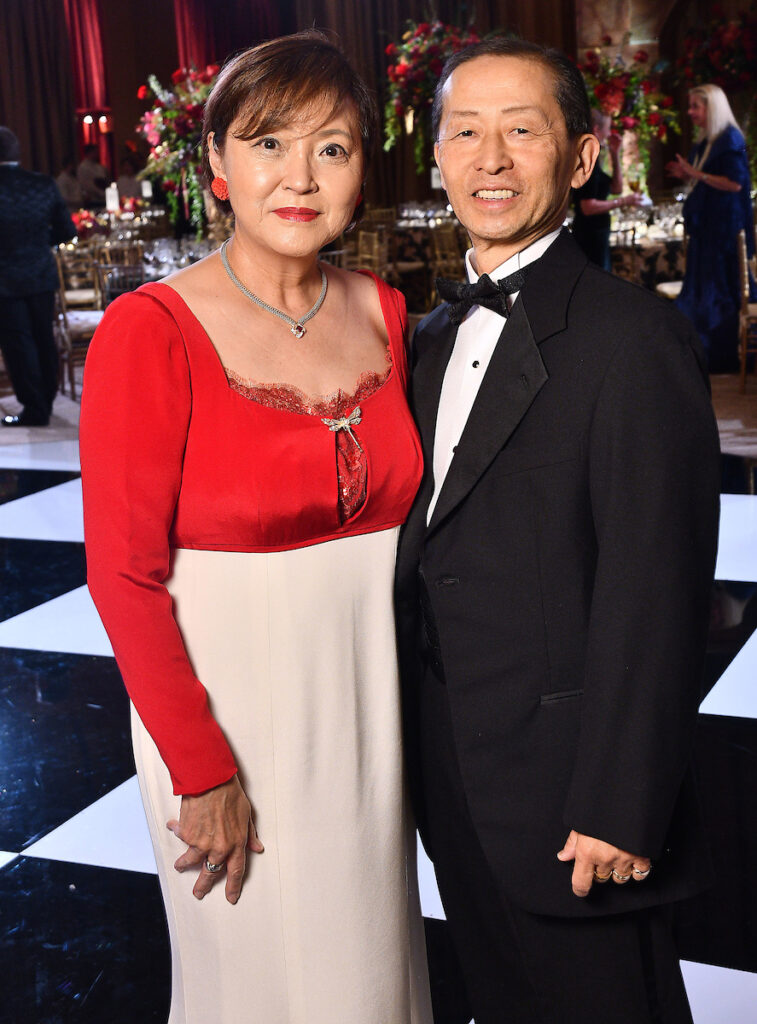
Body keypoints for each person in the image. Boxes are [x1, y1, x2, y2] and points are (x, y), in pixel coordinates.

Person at [79, 32, 431, 1024]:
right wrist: (203, 769)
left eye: (333, 146)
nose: (300, 176)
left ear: (363, 168)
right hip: (226, 719)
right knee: (261, 987)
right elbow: (122, 576)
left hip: (368, 713)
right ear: (219, 167)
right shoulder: (151, 329)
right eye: (269, 143)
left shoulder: (386, 312)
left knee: (369, 974)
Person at [394, 37, 720, 1024]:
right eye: (465, 132)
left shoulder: (632, 338)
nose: (490, 159)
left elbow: (655, 586)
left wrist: (619, 799)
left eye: (522, 131)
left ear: (579, 159)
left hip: (575, 791)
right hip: (456, 775)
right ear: (438, 156)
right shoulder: (426, 334)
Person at [667, 84, 756, 373]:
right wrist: (689, 175)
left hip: (723, 234)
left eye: (696, 106)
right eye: (690, 106)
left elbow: (736, 183)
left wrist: (696, 174)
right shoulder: (707, 141)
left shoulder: (730, 139)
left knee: (719, 293)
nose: (691, 112)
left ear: (712, 108)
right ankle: (703, 355)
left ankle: (721, 356)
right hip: (707, 233)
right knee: (703, 291)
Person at [0, 126, 75, 426]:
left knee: (19, 343)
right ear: (17, 153)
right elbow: (67, 231)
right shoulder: (42, 183)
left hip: (5, 281)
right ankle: (47, 397)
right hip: (41, 275)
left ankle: (35, 407)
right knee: (44, 337)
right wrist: (38, 243)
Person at [570, 107, 642, 269]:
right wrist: (625, 201)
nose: (609, 134)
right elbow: (587, 207)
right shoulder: (587, 160)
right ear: (597, 130)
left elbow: (616, 188)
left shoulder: (595, 158)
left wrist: (615, 153)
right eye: (608, 129)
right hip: (589, 235)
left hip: (598, 234)